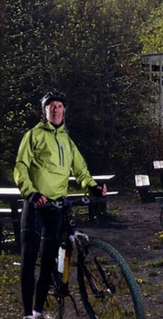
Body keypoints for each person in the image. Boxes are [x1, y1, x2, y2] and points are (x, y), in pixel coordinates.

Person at [14, 91, 106, 319]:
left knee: (48, 260)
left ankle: (37, 312)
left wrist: (92, 186)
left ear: (64, 111)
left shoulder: (67, 141)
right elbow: (20, 167)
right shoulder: (33, 135)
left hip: (56, 207)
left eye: (59, 106)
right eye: (51, 106)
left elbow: (81, 170)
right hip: (36, 204)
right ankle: (27, 315)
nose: (55, 110)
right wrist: (31, 192)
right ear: (45, 111)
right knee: (29, 258)